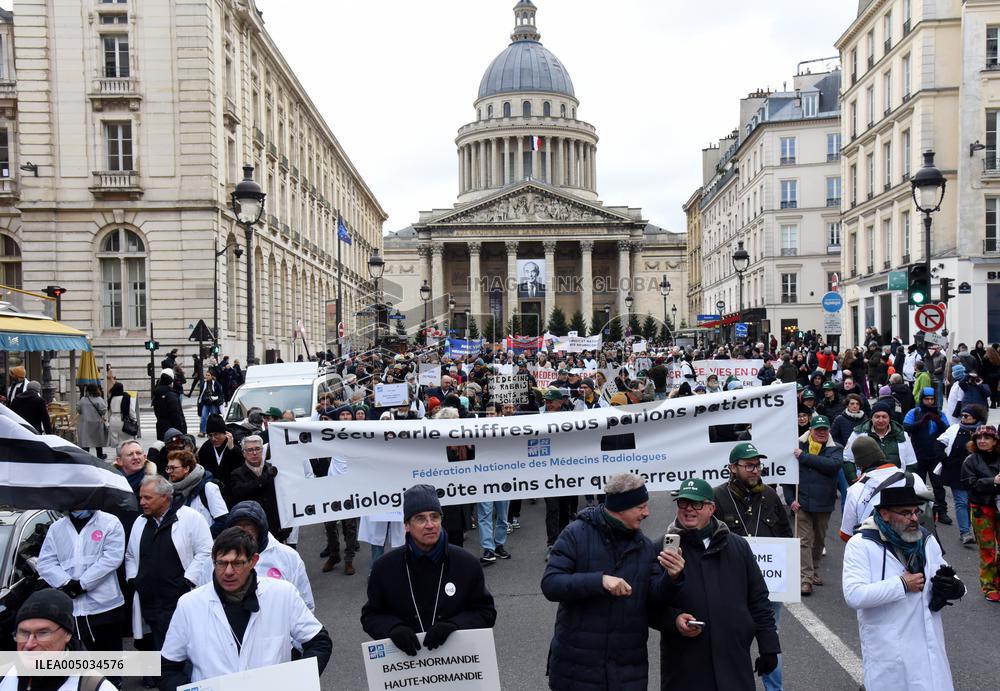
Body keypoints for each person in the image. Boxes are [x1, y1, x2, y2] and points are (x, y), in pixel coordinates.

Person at [542, 474, 683, 690]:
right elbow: (551, 584)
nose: (647, 513)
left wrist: (672, 577)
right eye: (641, 507)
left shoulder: (644, 547)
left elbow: (653, 598)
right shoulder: (575, 534)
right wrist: (599, 581)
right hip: (577, 670)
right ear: (621, 507)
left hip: (626, 672)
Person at [160, 528, 332, 690]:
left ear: (253, 561)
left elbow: (320, 643)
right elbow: (167, 668)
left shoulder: (283, 594)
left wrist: (297, 683)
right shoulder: (189, 605)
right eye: (221, 563)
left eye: (237, 563)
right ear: (213, 561)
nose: (228, 571)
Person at [655, 478, 779, 690]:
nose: (688, 510)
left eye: (696, 504)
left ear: (711, 508)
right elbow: (650, 604)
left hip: (733, 659)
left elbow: (758, 598)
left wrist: (768, 646)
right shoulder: (661, 549)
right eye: (683, 503)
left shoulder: (738, 546)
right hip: (686, 664)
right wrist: (674, 618)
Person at [842, 485, 965, 690]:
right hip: (891, 649)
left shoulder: (926, 540)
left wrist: (956, 587)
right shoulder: (861, 544)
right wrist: (901, 584)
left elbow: (944, 571)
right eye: (906, 513)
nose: (914, 518)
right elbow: (854, 595)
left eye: (916, 511)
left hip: (928, 647)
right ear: (885, 514)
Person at [361, 485, 496, 657]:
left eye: (435, 517)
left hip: (459, 664)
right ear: (407, 525)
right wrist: (392, 628)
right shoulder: (385, 567)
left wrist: (456, 625)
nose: (430, 525)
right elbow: (371, 615)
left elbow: (486, 612)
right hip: (407, 665)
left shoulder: (466, 563)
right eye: (420, 519)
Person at [713, 442, 792, 691]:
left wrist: (790, 571)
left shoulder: (769, 494)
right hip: (731, 585)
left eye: (757, 465)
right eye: (749, 465)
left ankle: (774, 689)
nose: (755, 470)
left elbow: (784, 534)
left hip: (769, 585)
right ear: (732, 468)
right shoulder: (717, 497)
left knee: (771, 638)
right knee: (733, 641)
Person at [125, 475, 213, 652]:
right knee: (156, 647)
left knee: (183, 647)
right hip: (150, 602)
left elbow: (206, 551)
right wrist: (134, 579)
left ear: (165, 497)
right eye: (140, 497)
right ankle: (158, 678)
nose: (142, 502)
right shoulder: (140, 522)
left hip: (178, 599)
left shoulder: (191, 518)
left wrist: (188, 579)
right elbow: (130, 555)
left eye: (147, 498)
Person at [37, 509, 126, 655]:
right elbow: (46, 562)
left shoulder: (110, 522)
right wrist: (66, 583)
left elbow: (112, 557)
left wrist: (82, 584)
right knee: (77, 666)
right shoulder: (56, 528)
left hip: (105, 607)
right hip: (71, 609)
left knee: (109, 663)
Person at [0, 589, 117, 690]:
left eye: (42, 633)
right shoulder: (3, 678)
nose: (29, 644)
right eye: (23, 633)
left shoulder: (93, 687)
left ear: (68, 634)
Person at [785, 415, 843, 596]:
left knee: (818, 541)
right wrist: (789, 499)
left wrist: (804, 457)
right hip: (802, 502)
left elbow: (832, 466)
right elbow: (787, 474)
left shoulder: (835, 449)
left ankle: (814, 569)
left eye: (825, 429)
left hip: (824, 503)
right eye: (818, 429)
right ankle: (806, 579)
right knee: (803, 541)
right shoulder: (797, 447)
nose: (822, 433)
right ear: (810, 430)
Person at [227, 501, 315, 611]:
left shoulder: (288, 557)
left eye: (248, 525)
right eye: (238, 526)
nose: (243, 530)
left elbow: (305, 605)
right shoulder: (219, 561)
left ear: (260, 527)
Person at [839, 436, 929, 541]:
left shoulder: (856, 490)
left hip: (878, 550)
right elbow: (928, 513)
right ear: (882, 455)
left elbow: (846, 534)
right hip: (919, 545)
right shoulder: (914, 478)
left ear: (859, 465)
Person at [960, 424, 1000, 601]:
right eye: (979, 438)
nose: (982, 441)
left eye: (987, 438)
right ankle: (989, 586)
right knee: (987, 549)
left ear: (995, 441)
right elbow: (971, 484)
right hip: (981, 510)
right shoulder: (970, 461)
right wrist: (994, 481)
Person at [903, 387, 951, 525]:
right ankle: (918, 512)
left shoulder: (940, 414)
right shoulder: (914, 412)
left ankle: (942, 512)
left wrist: (937, 420)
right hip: (918, 455)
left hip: (935, 456)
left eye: (931, 399)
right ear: (922, 399)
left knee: (938, 485)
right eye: (927, 399)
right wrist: (921, 421)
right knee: (919, 486)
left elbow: (947, 431)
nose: (929, 402)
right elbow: (906, 427)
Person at [227, 435, 288, 543]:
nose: (254, 453)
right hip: (250, 532)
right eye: (250, 450)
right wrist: (264, 478)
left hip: (275, 529)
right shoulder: (237, 474)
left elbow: (284, 497)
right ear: (243, 453)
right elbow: (240, 492)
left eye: (257, 449)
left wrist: (287, 524)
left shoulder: (272, 469)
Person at [165, 449, 229, 537]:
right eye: (168, 468)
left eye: (173, 468)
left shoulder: (208, 488)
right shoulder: (170, 491)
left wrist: (202, 539)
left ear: (186, 468)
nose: (169, 472)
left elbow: (222, 521)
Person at [843, 401, 918, 475]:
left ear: (889, 418)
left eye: (884, 417)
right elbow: (848, 460)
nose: (881, 420)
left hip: (897, 482)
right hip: (867, 484)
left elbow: (911, 463)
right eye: (877, 416)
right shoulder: (858, 434)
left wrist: (904, 481)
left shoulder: (902, 435)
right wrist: (854, 481)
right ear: (871, 418)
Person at [197, 413, 244, 485]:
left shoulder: (234, 443)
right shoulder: (206, 447)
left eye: (216, 434)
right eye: (210, 435)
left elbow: (242, 464)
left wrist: (233, 449)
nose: (213, 439)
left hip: (233, 485)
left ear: (224, 433)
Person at [77, 383, 108, 459]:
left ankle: (85, 456)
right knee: (98, 439)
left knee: (86, 440)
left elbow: (78, 409)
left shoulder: (83, 399)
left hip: (85, 423)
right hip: (96, 422)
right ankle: (100, 455)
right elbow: (103, 411)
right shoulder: (99, 399)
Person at [106, 381, 136, 449]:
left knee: (116, 440)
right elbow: (131, 410)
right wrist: (134, 419)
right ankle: (124, 455)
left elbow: (108, 411)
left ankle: (119, 455)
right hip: (123, 419)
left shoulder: (111, 398)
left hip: (113, 419)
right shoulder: (126, 397)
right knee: (126, 440)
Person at [196, 370, 225, 436]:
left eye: (208, 375)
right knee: (203, 417)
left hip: (213, 403)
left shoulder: (216, 383)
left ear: (212, 376)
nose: (207, 376)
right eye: (206, 375)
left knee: (214, 418)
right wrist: (200, 401)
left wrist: (214, 397)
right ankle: (202, 431)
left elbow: (220, 393)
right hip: (206, 403)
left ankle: (214, 431)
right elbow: (201, 393)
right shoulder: (204, 383)